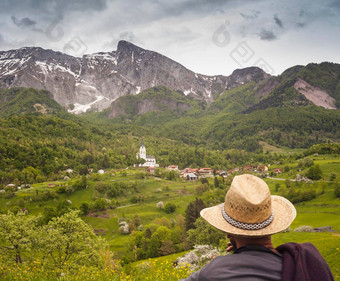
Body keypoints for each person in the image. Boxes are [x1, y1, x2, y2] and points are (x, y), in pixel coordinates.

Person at [180, 174, 334, 281]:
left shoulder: (214, 272)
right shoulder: (304, 266)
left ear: (229, 234)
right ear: (271, 229)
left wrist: (238, 258)